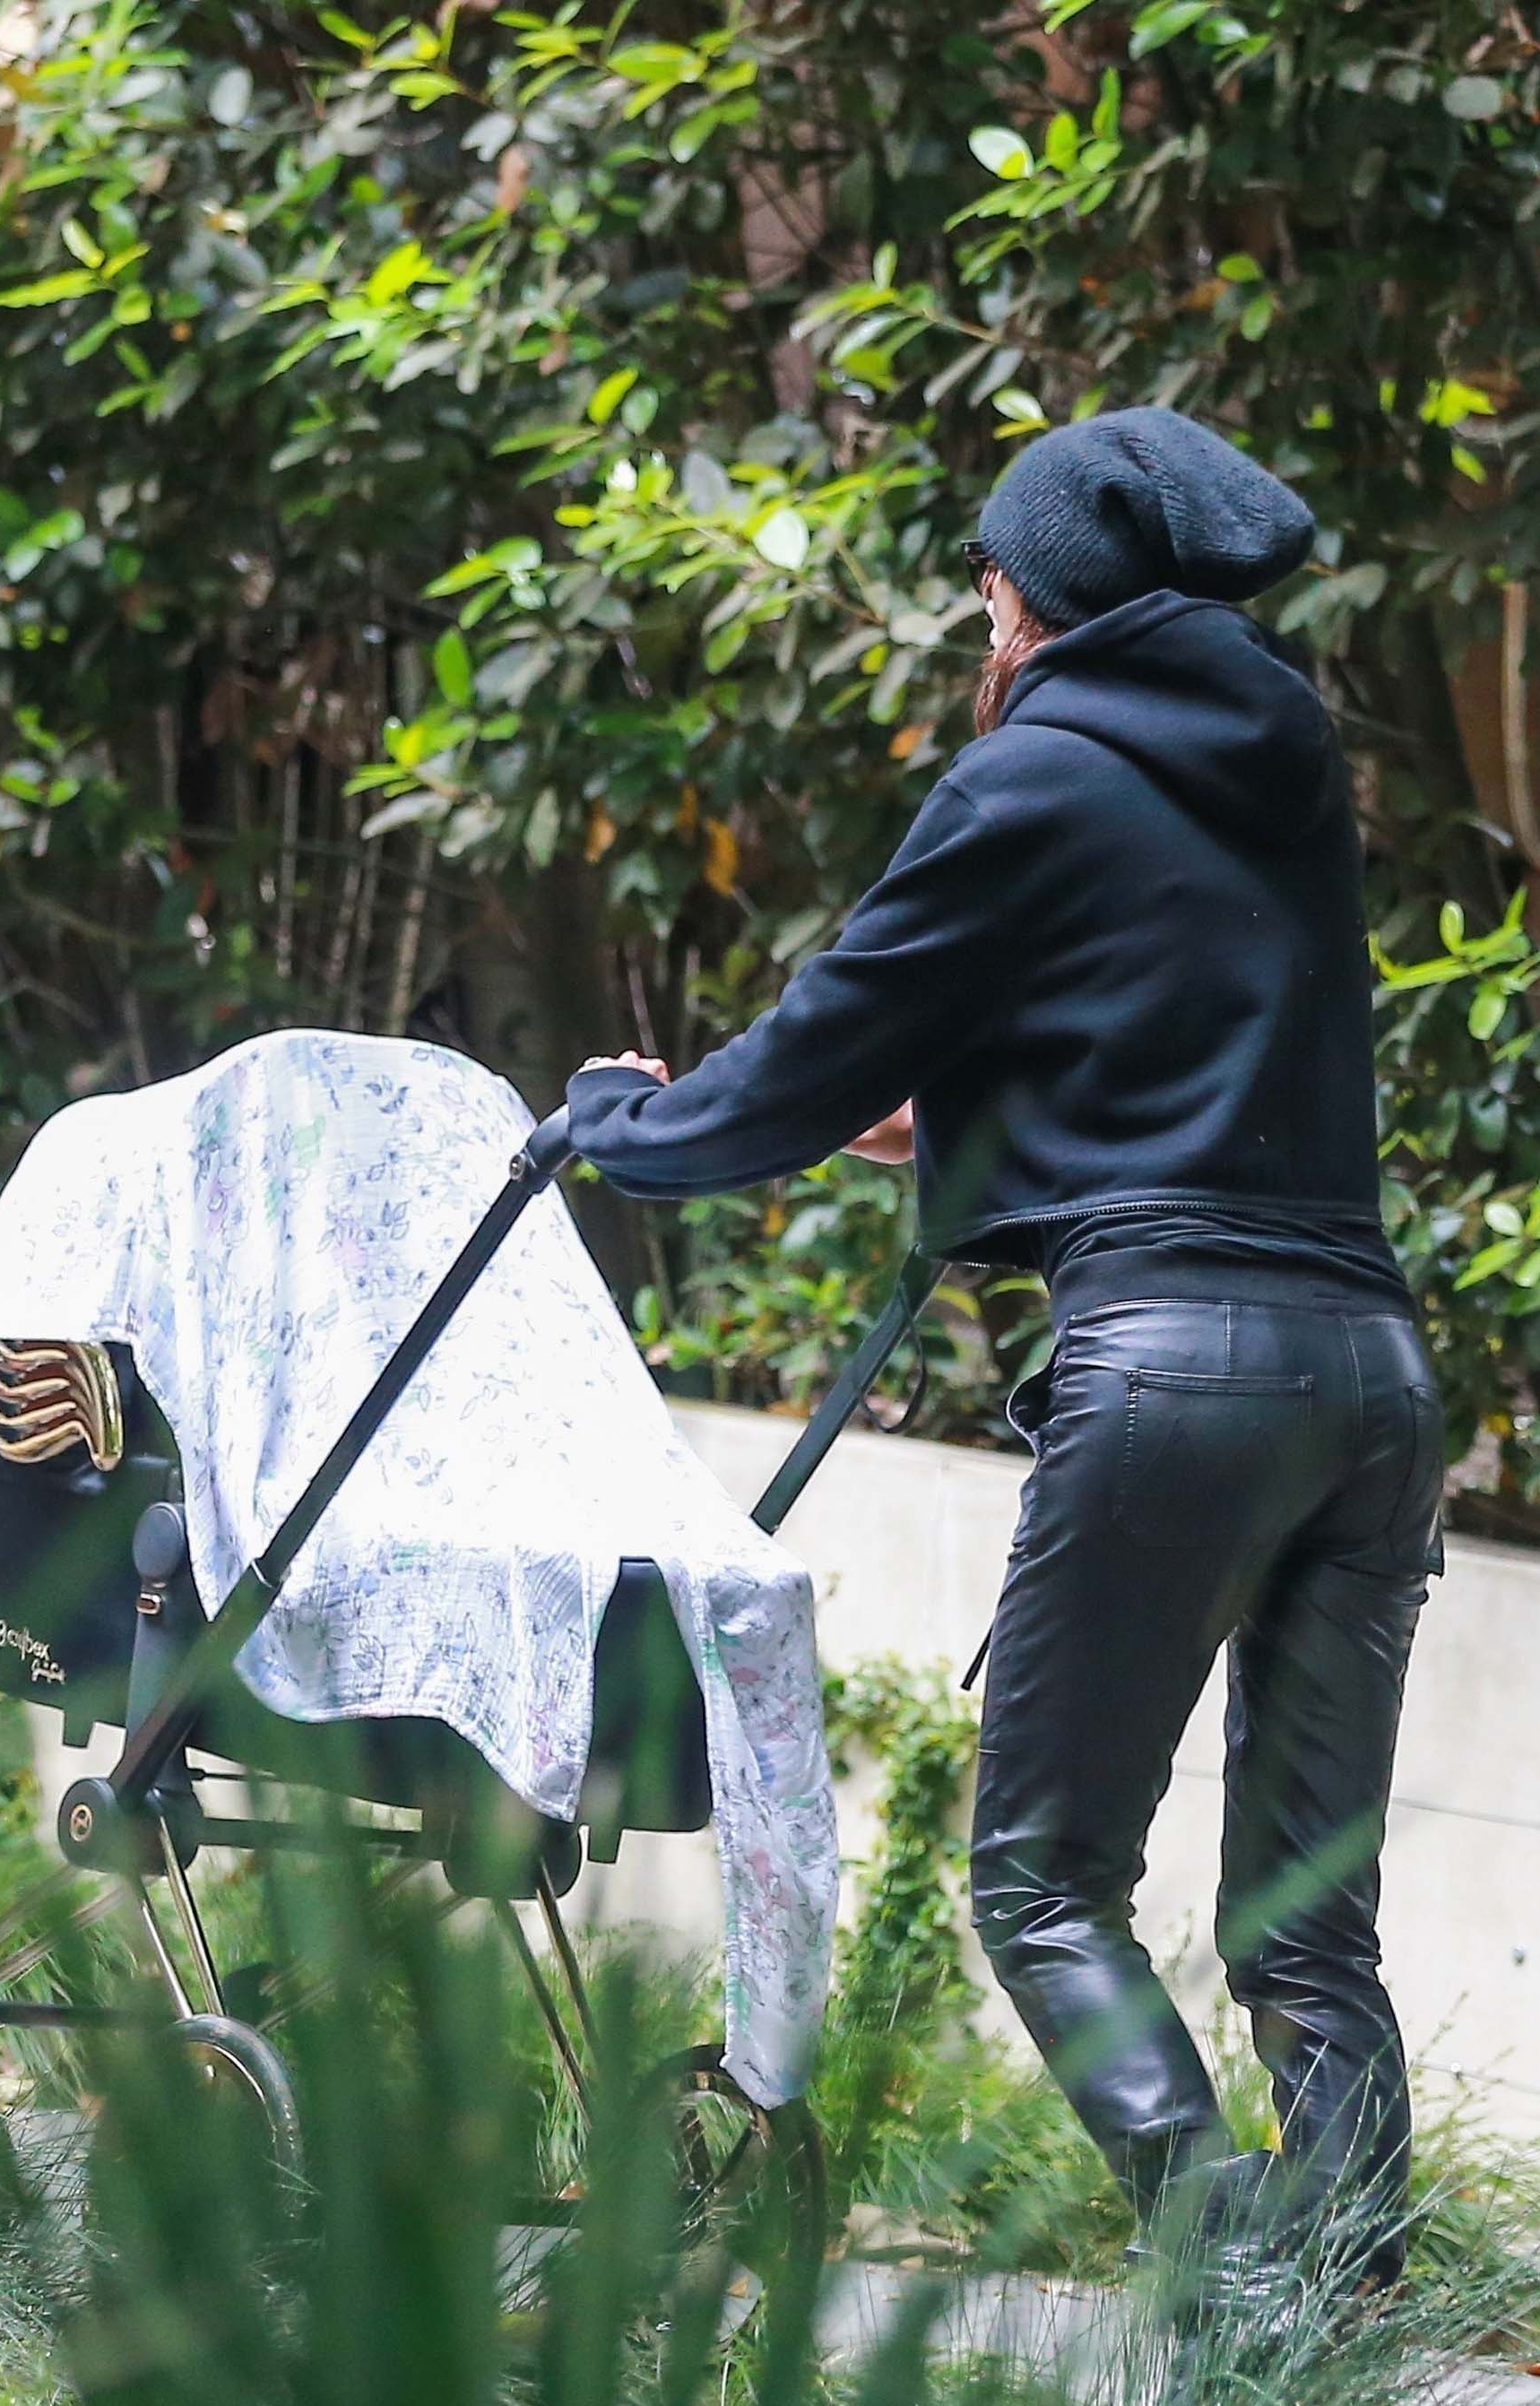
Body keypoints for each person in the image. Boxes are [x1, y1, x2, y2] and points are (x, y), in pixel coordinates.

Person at [565, 407, 1442, 2305]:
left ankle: (1237, 2294)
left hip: (1172, 1377)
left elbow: (802, 1063)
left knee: (1043, 1885)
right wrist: (948, 1128)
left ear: (1031, 599)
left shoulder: (1029, 775)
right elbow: (1165, 1051)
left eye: (985, 587)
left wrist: (614, 1130)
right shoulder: (1284, 773)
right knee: (1307, 1937)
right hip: (1370, 1376)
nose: (980, 620)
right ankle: (1346, 2355)